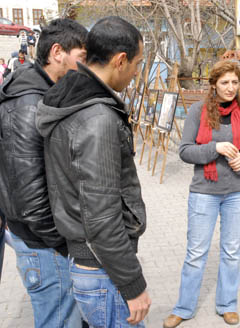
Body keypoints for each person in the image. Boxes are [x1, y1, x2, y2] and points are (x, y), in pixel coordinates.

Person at [36, 16, 151, 327]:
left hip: (93, 266)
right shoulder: (96, 117)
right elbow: (101, 217)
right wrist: (133, 285)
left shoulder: (74, 99)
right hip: (103, 272)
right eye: (137, 63)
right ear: (120, 60)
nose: (137, 73)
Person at [163, 60, 240, 328]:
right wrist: (215, 147)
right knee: (196, 253)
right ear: (213, 84)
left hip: (238, 192)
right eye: (225, 83)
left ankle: (227, 305)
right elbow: (184, 151)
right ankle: (184, 308)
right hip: (205, 192)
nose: (230, 88)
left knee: (231, 251)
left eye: (235, 82)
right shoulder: (198, 111)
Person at [0, 18, 88, 327]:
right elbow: (30, 195)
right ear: (58, 52)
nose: (87, 66)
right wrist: (65, 243)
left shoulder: (38, 89)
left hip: (41, 239)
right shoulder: (30, 102)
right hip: (44, 244)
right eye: (83, 57)